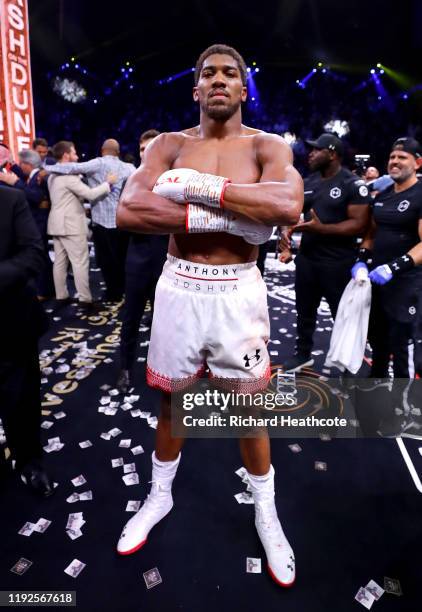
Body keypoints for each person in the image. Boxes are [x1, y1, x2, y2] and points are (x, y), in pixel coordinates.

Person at [115, 44, 303, 587]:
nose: (218, 80)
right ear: (195, 88)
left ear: (244, 89)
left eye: (230, 74)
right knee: (171, 400)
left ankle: (266, 511)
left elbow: (286, 207)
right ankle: (160, 494)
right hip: (179, 286)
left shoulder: (268, 145)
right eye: (207, 73)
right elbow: (131, 209)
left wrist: (202, 188)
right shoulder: (170, 145)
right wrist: (229, 211)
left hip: (237, 291)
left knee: (249, 409)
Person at [280, 133, 371, 372]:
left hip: (338, 262)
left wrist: (322, 229)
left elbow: (359, 224)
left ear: (332, 154)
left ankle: (347, 363)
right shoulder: (309, 182)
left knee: (340, 315)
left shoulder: (352, 184)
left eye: (316, 150)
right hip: (308, 259)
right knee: (304, 311)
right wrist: (286, 233)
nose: (310, 154)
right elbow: (294, 213)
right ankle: (303, 355)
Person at [352, 137, 422, 378]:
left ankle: (407, 406)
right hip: (378, 282)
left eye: (402, 157)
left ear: (418, 163)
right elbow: (370, 235)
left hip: (407, 283)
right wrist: (361, 259)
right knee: (379, 341)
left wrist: (394, 267)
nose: (394, 161)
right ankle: (378, 393)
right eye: (392, 157)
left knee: (403, 346)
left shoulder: (420, 195)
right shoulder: (381, 196)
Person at [0, 185, 54, 496]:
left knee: (22, 402)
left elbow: (33, 255)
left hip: (10, 324)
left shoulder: (10, 198)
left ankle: (30, 463)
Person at [46, 138, 136, 301]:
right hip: (119, 220)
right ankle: (105, 294)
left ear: (102, 151)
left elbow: (76, 169)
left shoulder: (54, 175)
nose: (77, 156)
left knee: (66, 262)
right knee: (116, 259)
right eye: (74, 152)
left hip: (96, 222)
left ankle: (69, 295)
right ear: (118, 152)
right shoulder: (128, 167)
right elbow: (91, 192)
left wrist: (46, 167)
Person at [117, 129, 168, 394]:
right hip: (136, 260)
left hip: (166, 262)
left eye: (151, 147)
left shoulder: (175, 181)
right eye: (141, 148)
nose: (145, 153)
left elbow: (180, 221)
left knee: (165, 322)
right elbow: (124, 220)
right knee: (131, 318)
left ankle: (166, 370)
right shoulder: (132, 180)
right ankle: (125, 368)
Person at [0, 149, 54, 299]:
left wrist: (15, 182)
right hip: (36, 221)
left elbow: (35, 196)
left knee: (40, 256)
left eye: (21, 163)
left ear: (27, 164)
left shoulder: (39, 177)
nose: (19, 166)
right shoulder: (32, 176)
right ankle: (45, 288)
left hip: (40, 223)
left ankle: (44, 290)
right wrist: (10, 162)